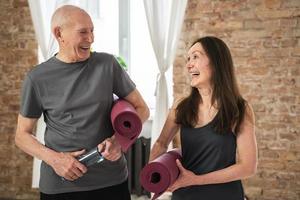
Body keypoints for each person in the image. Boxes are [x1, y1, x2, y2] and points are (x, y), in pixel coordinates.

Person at [15, 5, 149, 200]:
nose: (91, 38)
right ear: (59, 33)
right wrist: (55, 159)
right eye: (83, 32)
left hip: (111, 181)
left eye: (92, 31)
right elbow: (22, 135)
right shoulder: (37, 78)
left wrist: (120, 141)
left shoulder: (107, 65)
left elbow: (142, 109)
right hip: (61, 185)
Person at [150, 36, 257, 200]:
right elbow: (161, 143)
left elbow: (248, 167)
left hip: (225, 196)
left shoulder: (239, 109)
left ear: (216, 62)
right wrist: (152, 178)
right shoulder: (181, 106)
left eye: (195, 57)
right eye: (188, 59)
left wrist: (197, 180)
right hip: (185, 195)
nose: (188, 64)